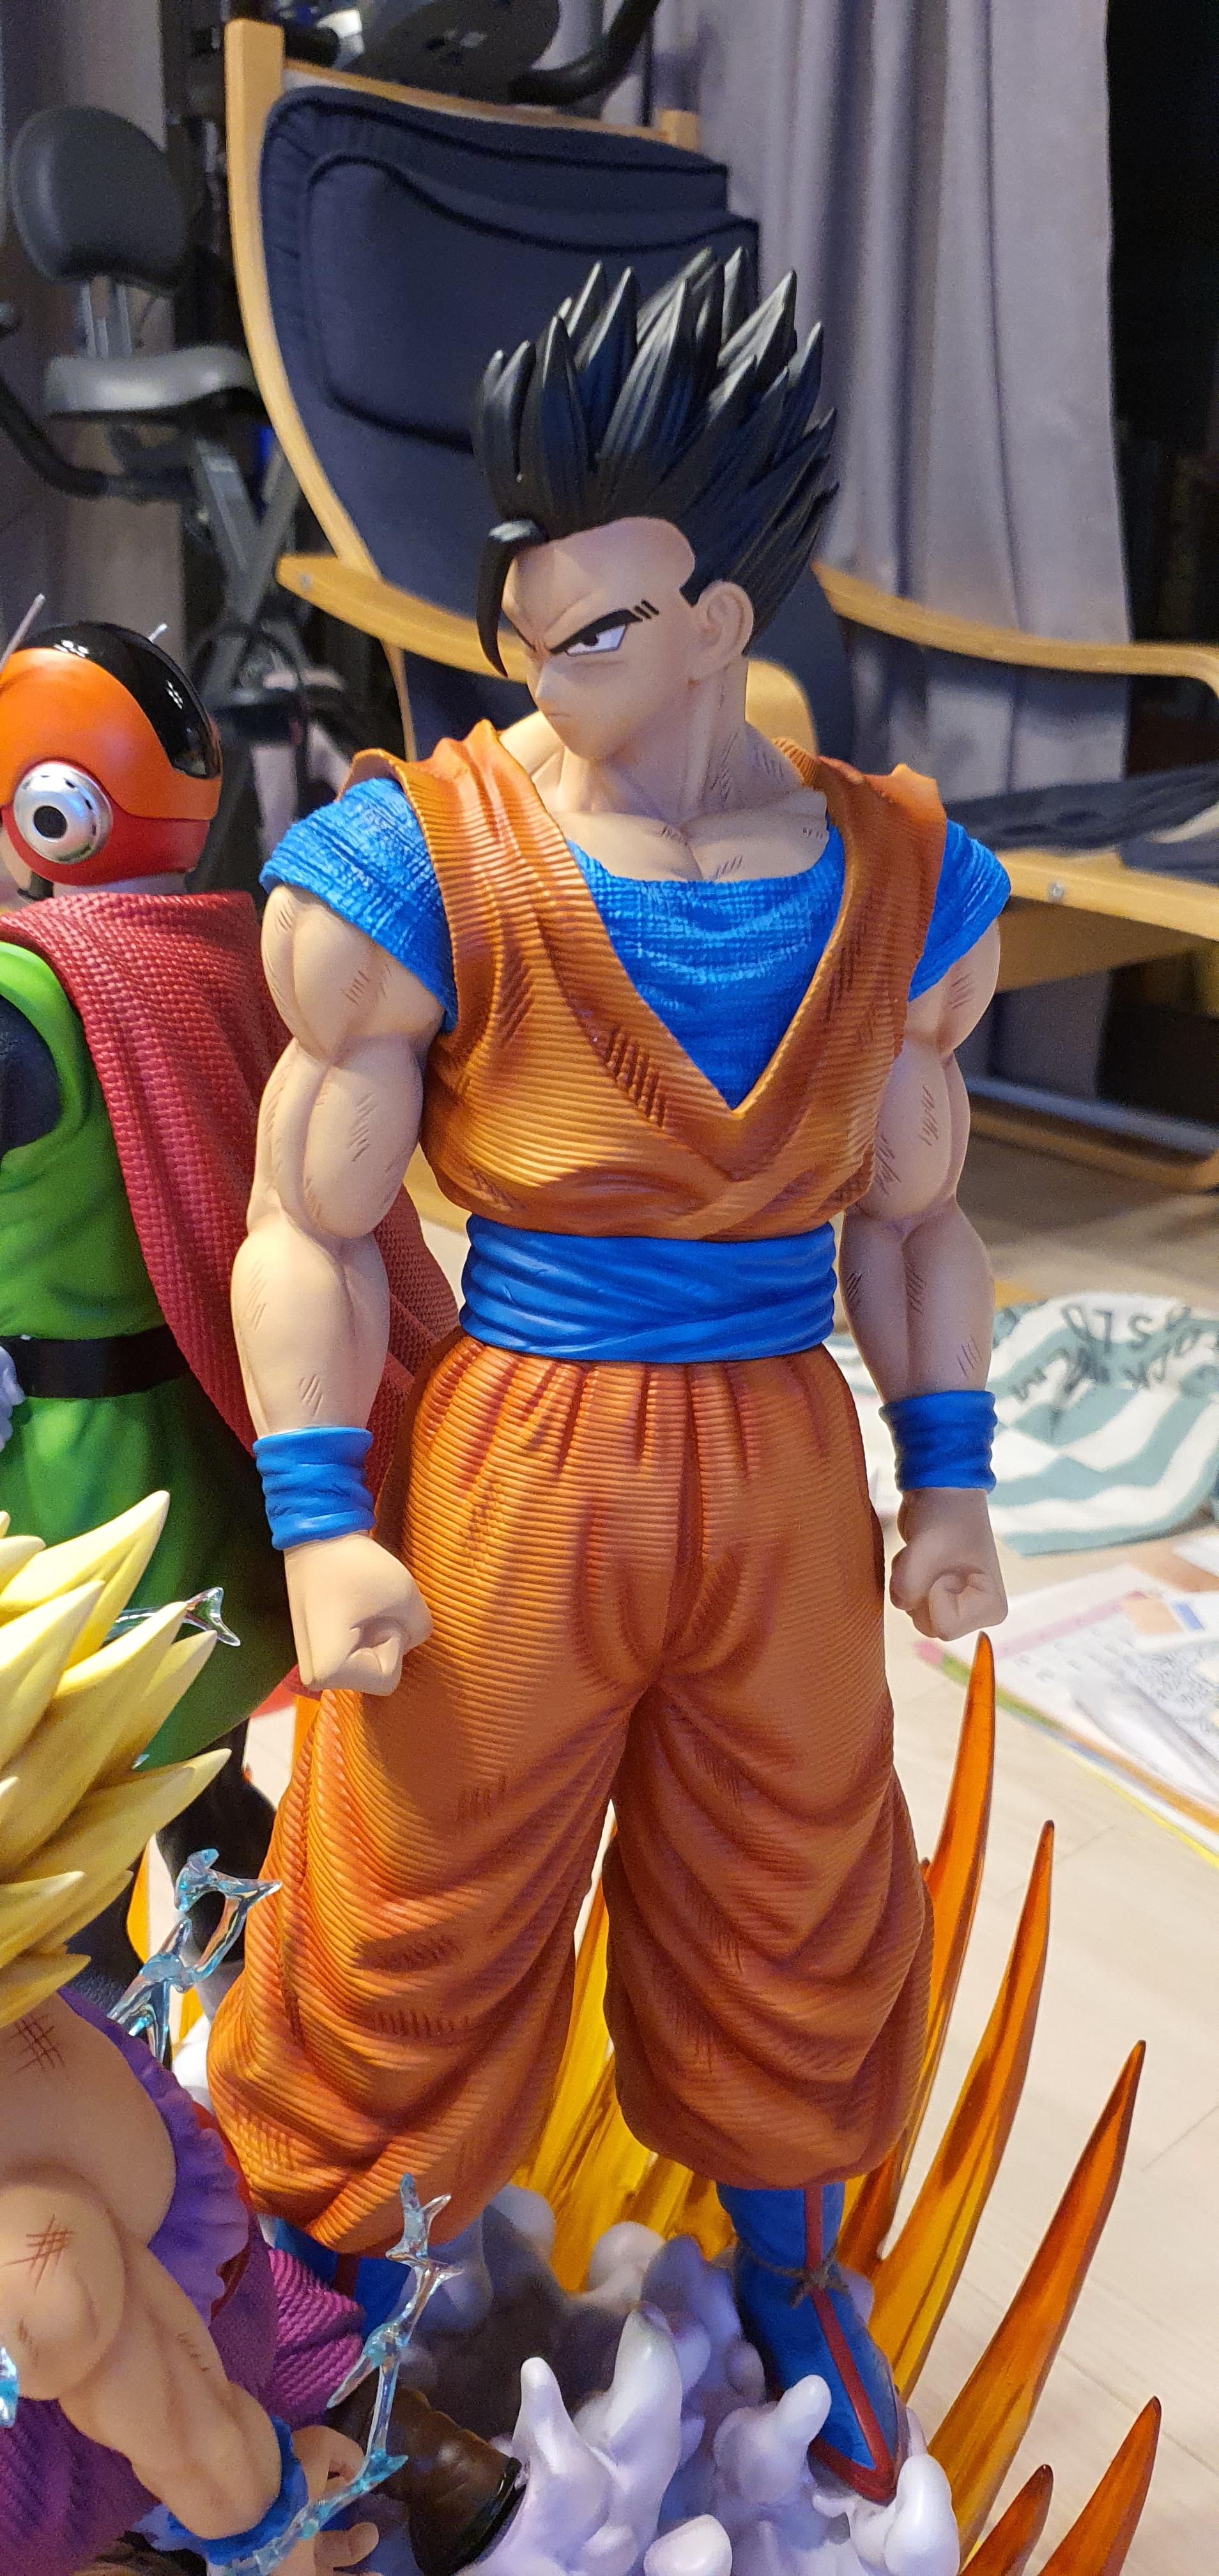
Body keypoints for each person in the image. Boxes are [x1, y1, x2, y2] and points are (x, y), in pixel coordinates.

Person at [210, 252, 1009, 2504]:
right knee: (417, 1889)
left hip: (778, 1461)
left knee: (798, 1892)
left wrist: (948, 1479)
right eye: (521, 624)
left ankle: (793, 2273)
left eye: (592, 628)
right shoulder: (419, 865)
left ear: (719, 620)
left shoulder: (899, 880)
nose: (538, 667)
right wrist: (317, 1518)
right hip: (519, 1464)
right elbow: (306, 1222)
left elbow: (913, 1220)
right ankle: (327, 2306)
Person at [0, 620, 456, 1984]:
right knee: (193, 1774)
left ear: (50, 807)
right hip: (211, 1453)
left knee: (56, 1838)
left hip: (70, 1494)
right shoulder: (227, 950)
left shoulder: (28, 993)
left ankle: (100, 2076)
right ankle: (273, 2027)